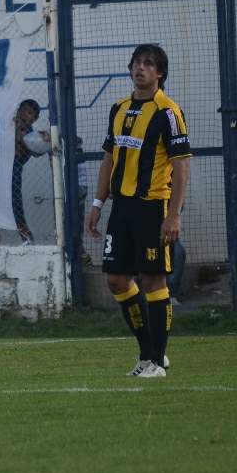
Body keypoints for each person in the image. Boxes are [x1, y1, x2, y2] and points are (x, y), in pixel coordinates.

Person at [85, 44, 191, 378]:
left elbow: (182, 166)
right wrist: (97, 203)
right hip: (122, 208)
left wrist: (174, 214)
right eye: (137, 63)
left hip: (152, 208)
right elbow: (109, 158)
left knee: (153, 279)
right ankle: (149, 352)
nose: (140, 68)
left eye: (148, 64)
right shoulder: (119, 108)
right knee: (117, 280)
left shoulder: (168, 112)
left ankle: (157, 362)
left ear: (160, 73)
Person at [0, 99, 49, 246]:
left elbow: (36, 151)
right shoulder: (6, 123)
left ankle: (27, 240)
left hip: (14, 172)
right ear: (20, 110)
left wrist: (45, 140)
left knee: (16, 206)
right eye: (28, 112)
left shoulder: (30, 133)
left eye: (33, 115)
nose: (30, 117)